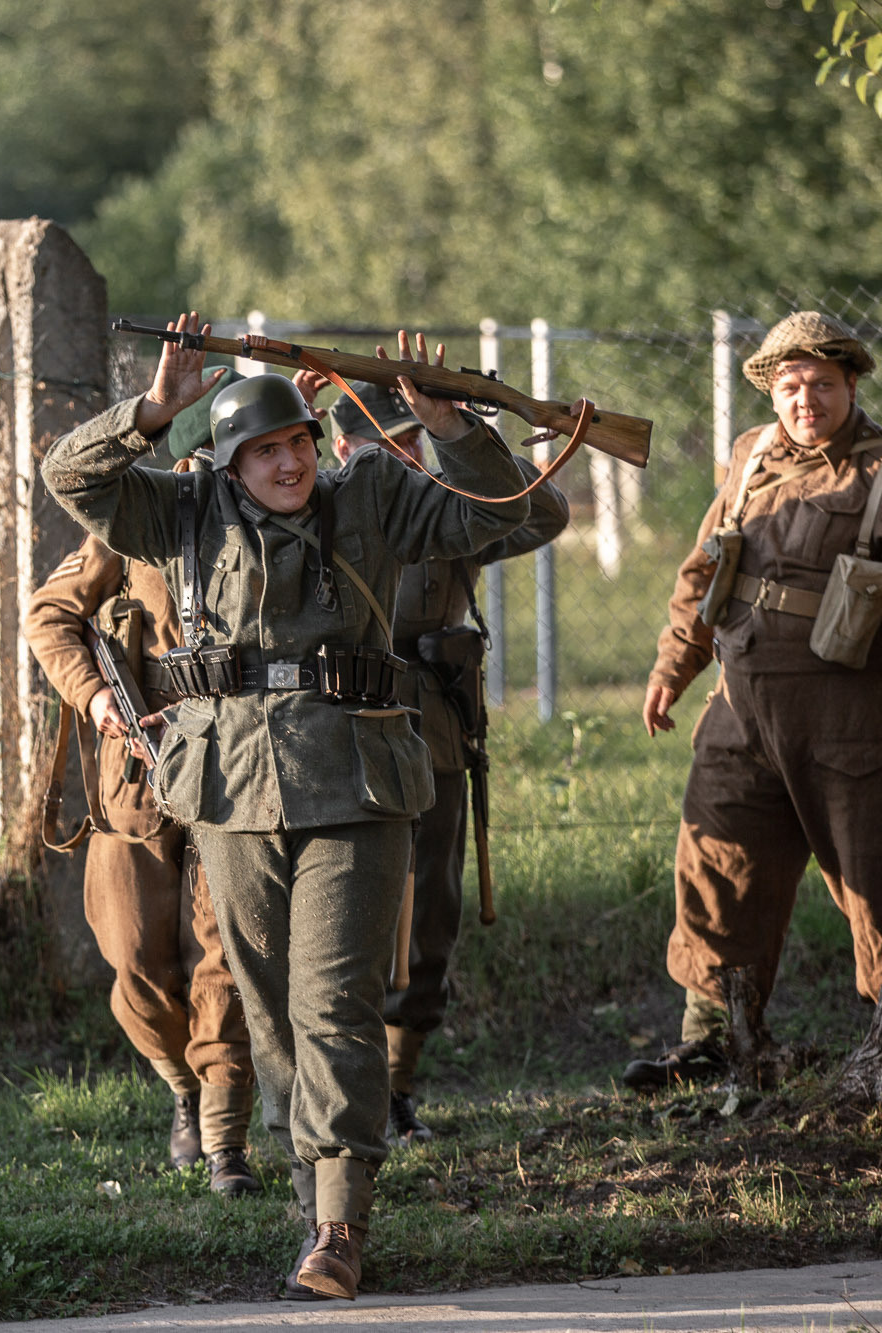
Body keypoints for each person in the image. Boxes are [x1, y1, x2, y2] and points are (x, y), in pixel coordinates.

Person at [42, 314, 527, 1300]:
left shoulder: (372, 497)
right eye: (263, 451)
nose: (287, 463)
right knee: (266, 1006)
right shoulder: (178, 514)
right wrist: (150, 410)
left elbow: (499, 512)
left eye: (296, 444)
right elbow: (71, 477)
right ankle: (311, 1187)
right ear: (226, 463)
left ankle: (340, 1221)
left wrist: (450, 426)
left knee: (335, 996)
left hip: (354, 778)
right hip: (230, 785)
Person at [626, 311, 882, 1091]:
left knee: (875, 882)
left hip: (848, 720)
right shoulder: (750, 460)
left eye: (819, 383)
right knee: (718, 863)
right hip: (738, 707)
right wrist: (674, 665)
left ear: (850, 383)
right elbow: (705, 569)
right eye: (788, 386)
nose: (804, 399)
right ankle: (713, 1038)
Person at [325, 383, 571, 1141]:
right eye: (383, 443)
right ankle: (329, 1090)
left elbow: (548, 512)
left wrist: (460, 442)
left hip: (426, 738)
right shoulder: (312, 508)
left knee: (427, 915)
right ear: (340, 450)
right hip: (329, 743)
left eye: (409, 442)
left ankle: (398, 1085)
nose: (399, 456)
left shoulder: (443, 512)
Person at [22, 525, 260, 1197]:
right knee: (131, 949)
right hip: (139, 762)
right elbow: (48, 615)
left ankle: (224, 1137)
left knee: (224, 954)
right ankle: (182, 1083)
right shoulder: (132, 519)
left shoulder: (267, 510)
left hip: (237, 761)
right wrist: (95, 695)